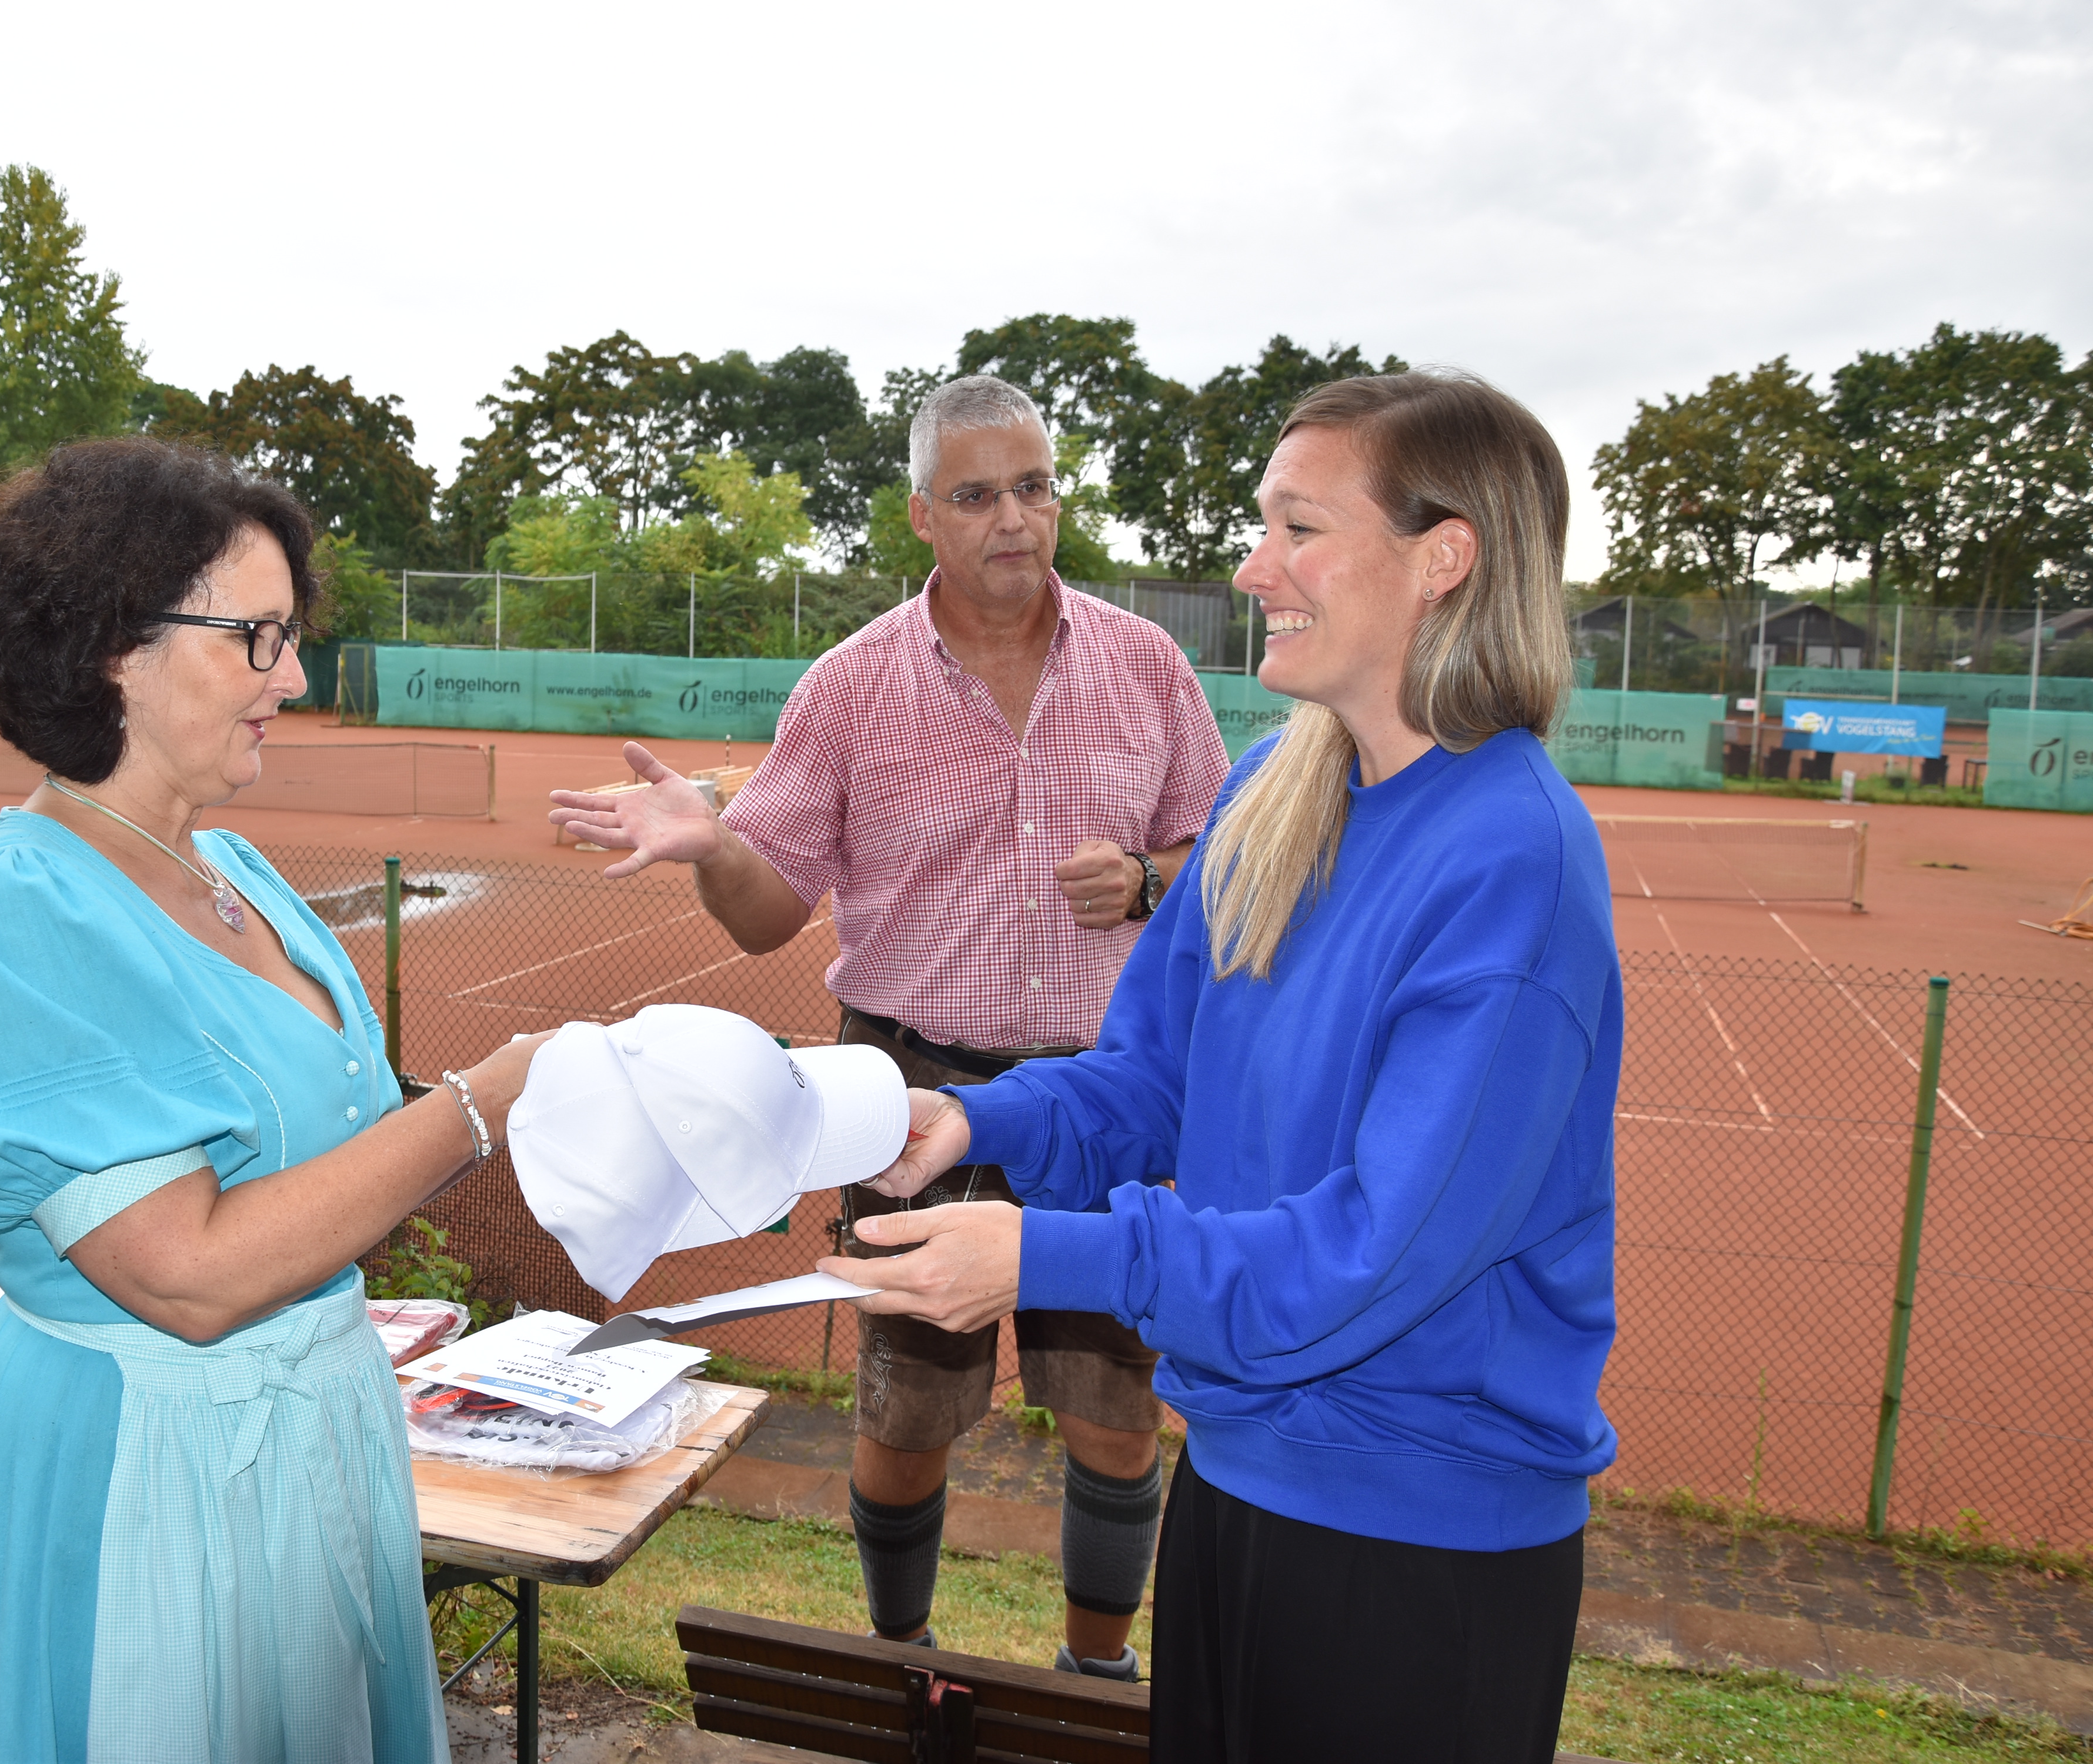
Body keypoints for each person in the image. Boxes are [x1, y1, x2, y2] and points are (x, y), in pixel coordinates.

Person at [822, 370, 1621, 1761]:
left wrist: (1043, 1256)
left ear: (1443, 559)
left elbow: (1367, 1256)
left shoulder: (1512, 863)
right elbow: (1153, 1082)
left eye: (1298, 529)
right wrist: (961, 1120)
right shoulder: (1272, 789)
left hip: (1422, 1545)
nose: (1254, 569)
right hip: (1240, 1485)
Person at [549, 374, 1227, 1678]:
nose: (1012, 519)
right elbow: (767, 915)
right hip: (911, 1098)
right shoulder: (851, 685)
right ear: (922, 514)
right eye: (975, 496)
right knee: (908, 1419)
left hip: (1109, 1100)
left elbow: (1218, 853)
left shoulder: (1147, 665)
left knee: (1115, 1417)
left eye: (1032, 487)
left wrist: (1151, 879)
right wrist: (713, 847)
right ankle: (901, 1668)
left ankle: (1094, 1676)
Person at [0, 437, 543, 1763]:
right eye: (256, 637)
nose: (292, 678)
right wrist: (477, 1107)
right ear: (112, 650)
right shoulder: (19, 914)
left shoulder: (236, 868)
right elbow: (185, 1277)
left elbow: (320, 1147)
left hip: (310, 1443)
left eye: (290, 636)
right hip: (147, 1471)